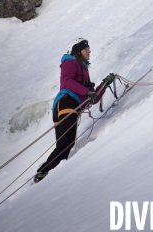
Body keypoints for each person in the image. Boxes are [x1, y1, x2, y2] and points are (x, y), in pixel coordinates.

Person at [34, 38, 115, 182]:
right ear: (78, 51)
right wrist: (85, 92)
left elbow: (93, 98)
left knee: (64, 145)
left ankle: (44, 175)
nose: (89, 51)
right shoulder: (70, 61)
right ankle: (44, 172)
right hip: (66, 103)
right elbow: (66, 81)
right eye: (86, 49)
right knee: (67, 143)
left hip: (65, 106)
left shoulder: (83, 69)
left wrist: (104, 84)